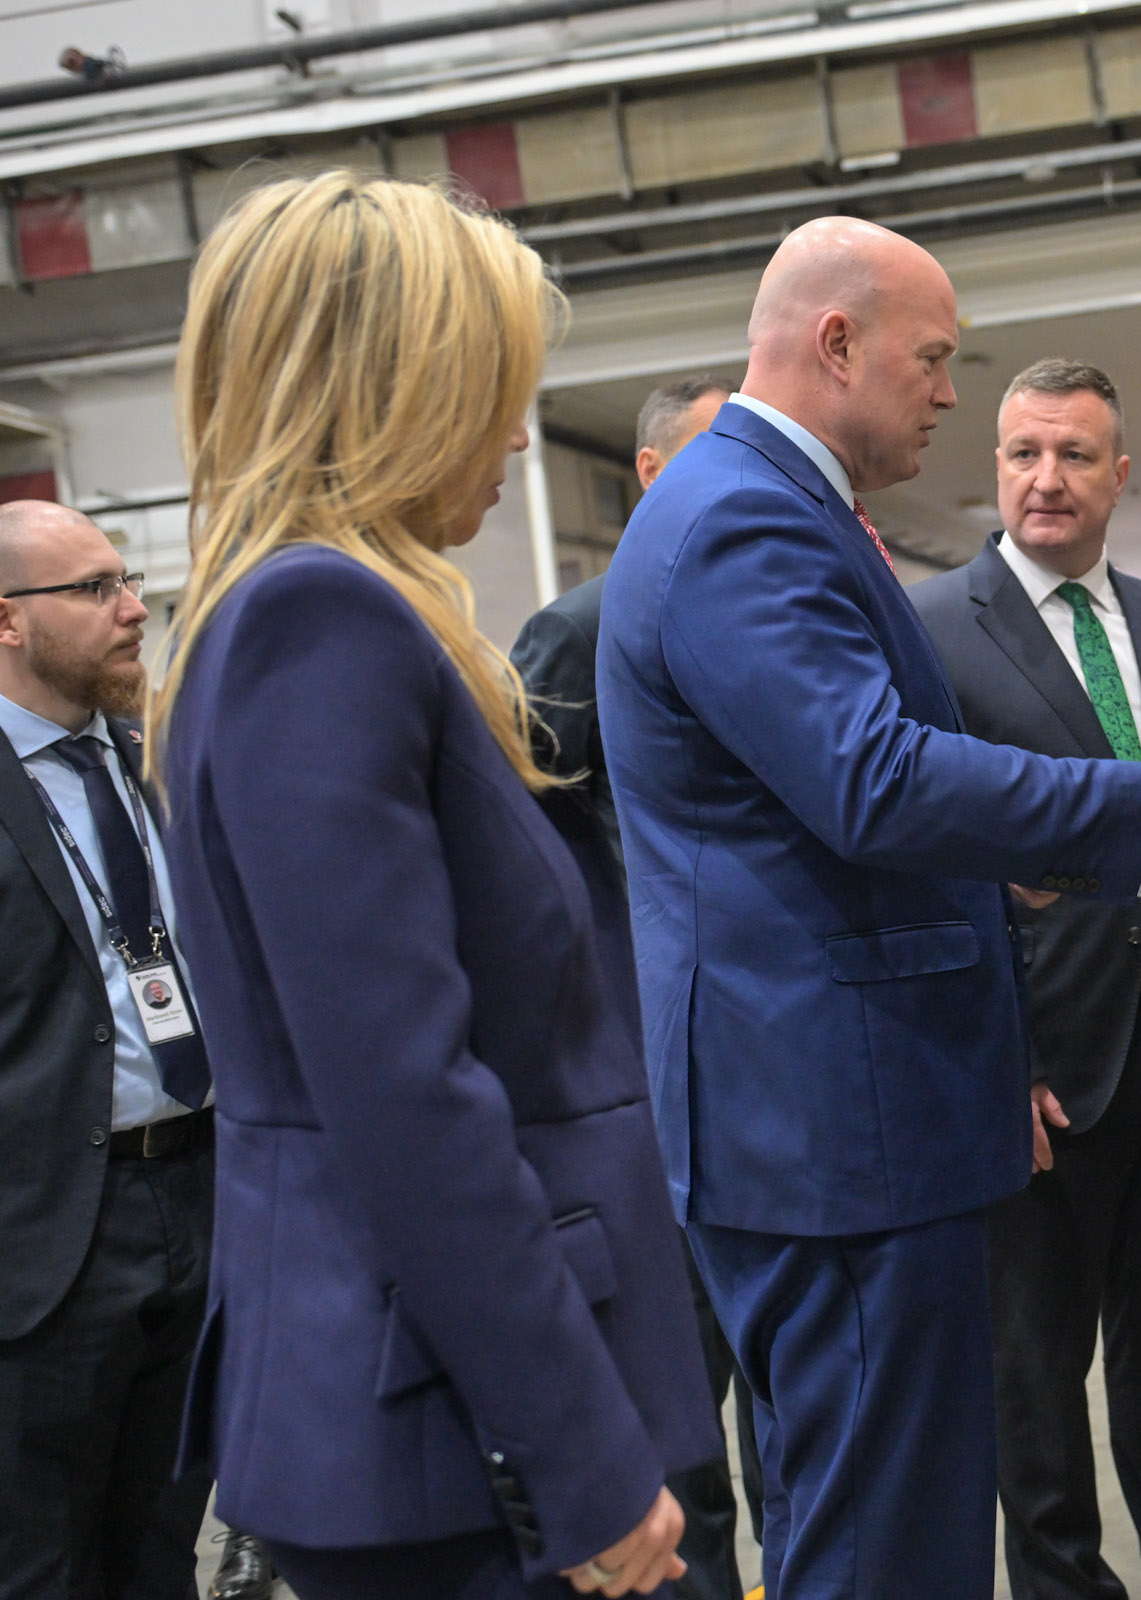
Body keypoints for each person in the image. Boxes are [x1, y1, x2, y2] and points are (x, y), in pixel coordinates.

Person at [597, 217, 1141, 1600]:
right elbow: (869, 777)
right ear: (836, 342)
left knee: (865, 1513)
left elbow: (812, 802)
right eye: (931, 359)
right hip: (834, 1126)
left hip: (841, 1116)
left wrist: (994, 864)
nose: (944, 392)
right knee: (887, 1538)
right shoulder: (745, 516)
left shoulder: (779, 507)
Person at [150, 171, 719, 1598]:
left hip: (441, 1402)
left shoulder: (294, 617)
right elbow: (408, 1098)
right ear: (395, 389)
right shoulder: (316, 622)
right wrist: (580, 1453)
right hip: (453, 1432)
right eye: (490, 385)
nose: (518, 432)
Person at [909, 361, 1141, 1600]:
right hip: (1039, 1070)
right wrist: (991, 1063)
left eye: (1073, 456)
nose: (1046, 479)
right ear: (996, 468)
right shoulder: (935, 632)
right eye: (1024, 453)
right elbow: (935, 868)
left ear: (1119, 476)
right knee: (1034, 1363)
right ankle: (1062, 1583)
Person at [511, 372, 765, 1600]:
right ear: (654, 476)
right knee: (682, 1406)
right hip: (648, 1084)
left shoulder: (747, 617)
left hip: (756, 1070)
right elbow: (524, 851)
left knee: (782, 1393)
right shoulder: (579, 630)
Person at [0, 500, 221, 1598]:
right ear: (7, 619)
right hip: (42, 1248)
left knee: (162, 1555)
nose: (133, 608)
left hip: (198, 1202)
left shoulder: (154, 761)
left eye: (126, 580)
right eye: (94, 589)